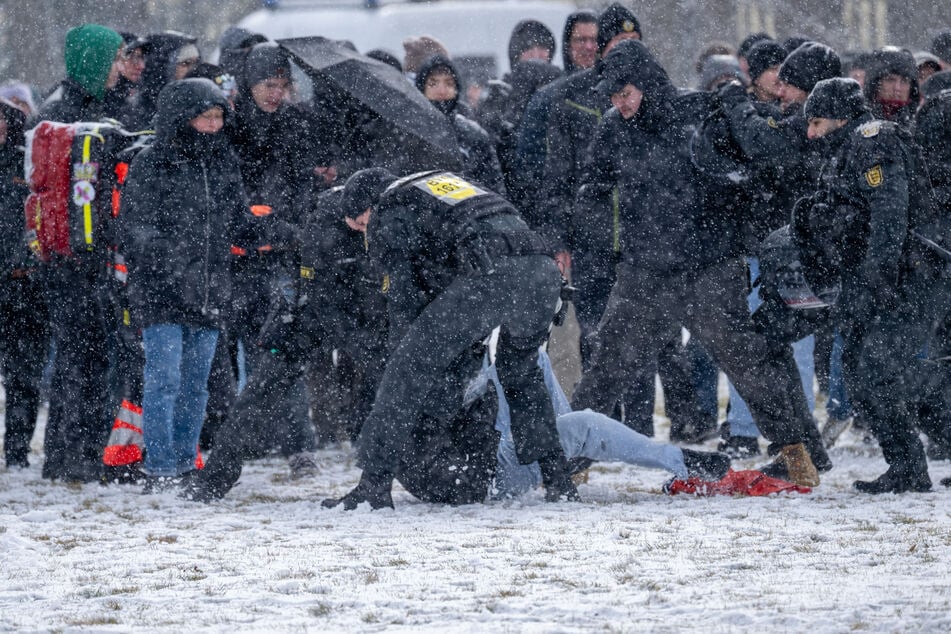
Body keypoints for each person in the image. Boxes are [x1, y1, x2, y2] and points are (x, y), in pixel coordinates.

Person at [568, 40, 829, 487]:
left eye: (625, 93)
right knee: (608, 364)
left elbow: (756, 169)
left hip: (710, 267)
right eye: (612, 97)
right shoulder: (614, 128)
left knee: (748, 363)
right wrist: (596, 240)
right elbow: (592, 188)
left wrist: (738, 224)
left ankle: (795, 453)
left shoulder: (701, 114)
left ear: (647, 84)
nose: (619, 104)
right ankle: (567, 460)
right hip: (644, 271)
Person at [321, 167, 579, 510]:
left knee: (404, 371)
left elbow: (404, 297)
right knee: (522, 377)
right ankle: (559, 481)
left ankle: (373, 484)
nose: (366, 233)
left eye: (362, 226)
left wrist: (403, 348)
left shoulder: (389, 207)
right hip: (542, 272)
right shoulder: (442, 184)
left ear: (368, 207)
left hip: (492, 272)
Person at [795, 77, 948, 492]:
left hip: (909, 278)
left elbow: (889, 214)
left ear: (841, 117)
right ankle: (906, 466)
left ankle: (910, 467)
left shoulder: (872, 140)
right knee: (866, 377)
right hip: (875, 281)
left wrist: (880, 277)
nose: (810, 133)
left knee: (883, 372)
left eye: (817, 122)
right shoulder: (844, 150)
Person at [117, 78, 259, 491]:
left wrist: (276, 229)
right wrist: (176, 263)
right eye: (205, 117)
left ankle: (184, 461)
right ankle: (160, 466)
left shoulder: (224, 161)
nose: (214, 125)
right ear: (183, 118)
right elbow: (135, 229)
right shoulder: (152, 163)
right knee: (163, 380)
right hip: (161, 291)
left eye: (218, 117)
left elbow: (236, 223)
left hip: (210, 289)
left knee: (196, 384)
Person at [35, 24, 125, 482]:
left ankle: (70, 453)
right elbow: (81, 192)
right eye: (113, 60)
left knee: (82, 356)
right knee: (83, 358)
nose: (119, 69)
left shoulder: (69, 107)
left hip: (69, 255)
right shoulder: (74, 115)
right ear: (93, 61)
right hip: (78, 258)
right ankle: (78, 453)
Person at [0, 99, 49, 468]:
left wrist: (28, 260)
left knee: (24, 376)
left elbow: (43, 213)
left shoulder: (27, 162)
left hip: (24, 286)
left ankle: (17, 452)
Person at [414, 55, 505, 194]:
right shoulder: (411, 133)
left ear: (457, 89)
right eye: (433, 83)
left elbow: (493, 187)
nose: (442, 90)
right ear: (421, 88)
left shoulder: (474, 135)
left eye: (449, 83)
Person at [863, 47, 920, 126]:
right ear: (876, 83)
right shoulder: (859, 119)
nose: (897, 88)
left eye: (904, 81)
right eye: (890, 80)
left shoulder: (921, 121)